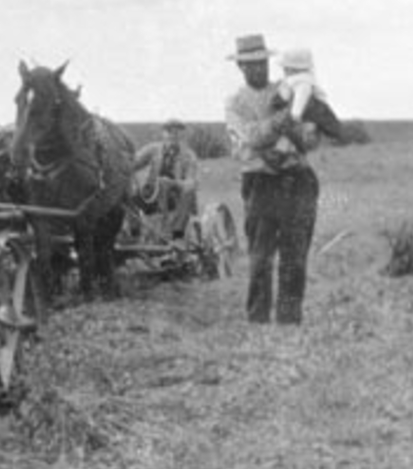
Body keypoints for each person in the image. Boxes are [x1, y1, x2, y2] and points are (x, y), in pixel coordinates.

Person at [225, 34, 338, 324]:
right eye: (250, 65)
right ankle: (258, 320)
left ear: (268, 62)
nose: (258, 69)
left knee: (294, 256)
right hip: (260, 182)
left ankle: (289, 320)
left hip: (297, 180)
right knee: (261, 258)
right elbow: (249, 138)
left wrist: (290, 131)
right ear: (241, 68)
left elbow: (311, 137)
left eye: (261, 63)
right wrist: (285, 124)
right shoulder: (235, 103)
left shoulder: (289, 88)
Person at [131, 119, 199, 240]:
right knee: (130, 194)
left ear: (182, 135)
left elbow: (190, 182)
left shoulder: (189, 156)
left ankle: (178, 233)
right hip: (152, 194)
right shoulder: (153, 149)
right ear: (163, 134)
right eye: (169, 132)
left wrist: (173, 183)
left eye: (177, 132)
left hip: (175, 196)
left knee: (189, 192)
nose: (173, 135)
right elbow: (134, 163)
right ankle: (134, 231)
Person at [269, 47, 341, 156]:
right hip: (310, 111)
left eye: (286, 68)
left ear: (292, 68)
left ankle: (290, 150)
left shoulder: (303, 82)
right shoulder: (297, 80)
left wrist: (295, 115)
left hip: (312, 111)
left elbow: (301, 98)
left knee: (309, 129)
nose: (284, 70)